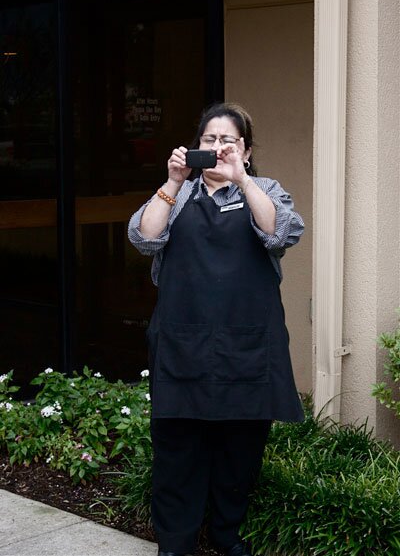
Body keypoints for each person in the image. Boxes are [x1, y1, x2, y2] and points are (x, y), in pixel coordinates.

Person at [128, 102, 304, 556]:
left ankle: (227, 536)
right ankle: (175, 544)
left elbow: (280, 234)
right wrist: (172, 181)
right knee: (178, 454)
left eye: (229, 141)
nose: (218, 147)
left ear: (246, 151)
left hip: (247, 348)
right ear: (195, 145)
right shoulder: (179, 193)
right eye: (210, 140)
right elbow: (144, 238)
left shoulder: (265, 190)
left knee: (238, 454)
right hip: (182, 345)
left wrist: (242, 181)